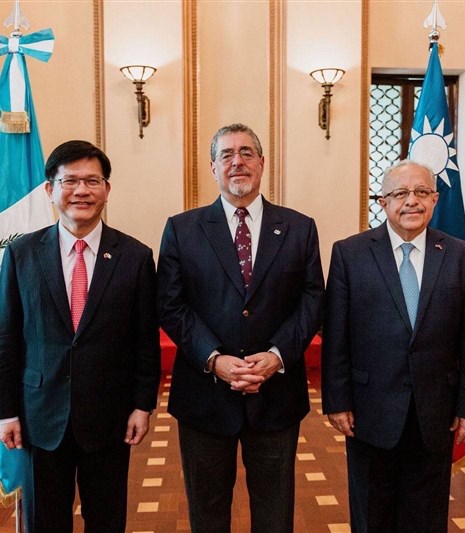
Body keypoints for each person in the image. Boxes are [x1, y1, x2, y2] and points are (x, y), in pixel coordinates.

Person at [157, 123, 325, 532]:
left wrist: (276, 356)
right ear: (213, 167)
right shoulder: (182, 229)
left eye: (247, 153)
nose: (238, 162)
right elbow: (171, 304)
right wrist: (214, 360)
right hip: (204, 396)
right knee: (207, 513)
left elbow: (312, 301)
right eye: (227, 154)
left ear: (262, 164)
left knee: (274, 513)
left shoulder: (300, 228)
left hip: (276, 394)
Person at [0, 140, 160, 533]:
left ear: (106, 189)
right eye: (70, 181)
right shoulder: (22, 254)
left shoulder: (135, 256)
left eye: (92, 180)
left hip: (110, 416)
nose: (81, 191)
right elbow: (5, 340)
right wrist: (6, 411)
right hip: (39, 415)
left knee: (107, 519)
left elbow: (144, 341)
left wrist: (142, 405)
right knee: (45, 521)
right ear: (50, 190)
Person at [321, 160, 465, 532]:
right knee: (371, 514)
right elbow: (336, 336)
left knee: (426, 518)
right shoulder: (350, 254)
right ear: (383, 202)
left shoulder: (462, 256)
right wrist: (337, 400)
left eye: (421, 192)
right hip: (368, 412)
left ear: (435, 199)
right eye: (400, 193)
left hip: (436, 414)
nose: (411, 201)